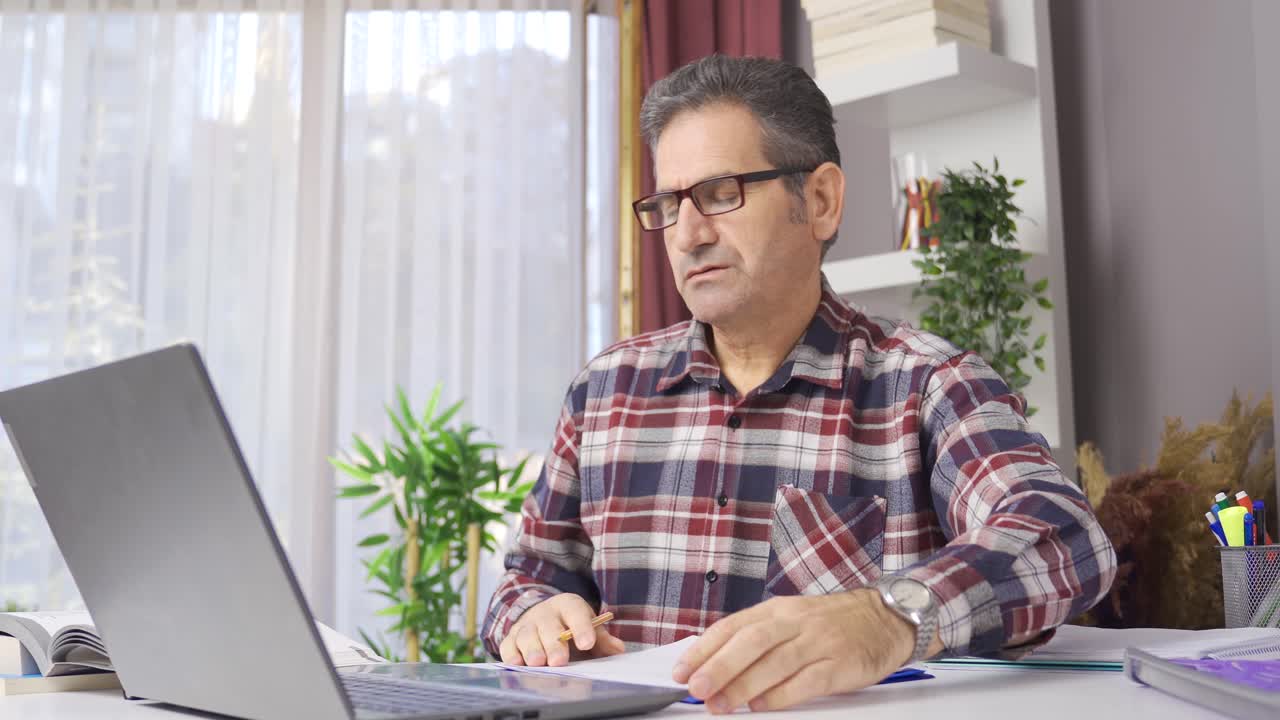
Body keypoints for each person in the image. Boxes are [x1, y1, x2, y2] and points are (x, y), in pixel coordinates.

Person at [481, 54, 1116, 714]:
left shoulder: (926, 385)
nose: (688, 234)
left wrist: (888, 617)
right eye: (669, 204)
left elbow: (1061, 534)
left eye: (721, 193)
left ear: (819, 200)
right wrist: (533, 620)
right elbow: (528, 577)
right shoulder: (604, 392)